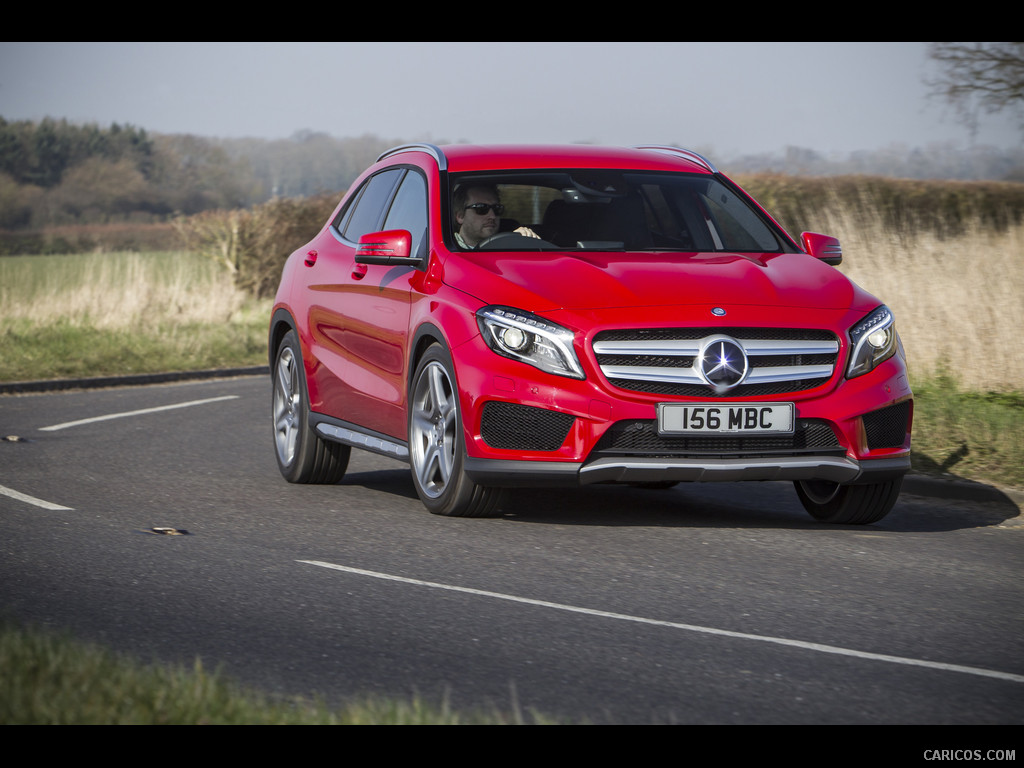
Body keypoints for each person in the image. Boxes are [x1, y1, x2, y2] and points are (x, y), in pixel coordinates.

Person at [453, 184, 539, 248]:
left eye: (497, 209)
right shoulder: (446, 251)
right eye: (481, 208)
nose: (492, 216)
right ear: (460, 216)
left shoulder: (509, 246)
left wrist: (522, 240)